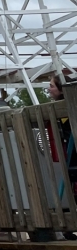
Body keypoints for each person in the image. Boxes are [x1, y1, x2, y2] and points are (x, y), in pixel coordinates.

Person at [48, 74, 77, 239]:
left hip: (71, 155)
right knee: (68, 189)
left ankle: (66, 227)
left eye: (52, 86)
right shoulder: (60, 110)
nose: (48, 89)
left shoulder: (66, 109)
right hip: (67, 156)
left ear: (61, 89)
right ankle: (66, 227)